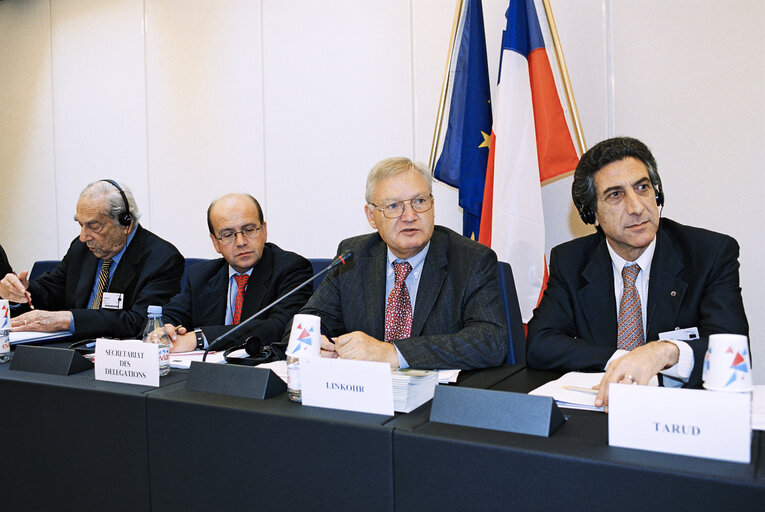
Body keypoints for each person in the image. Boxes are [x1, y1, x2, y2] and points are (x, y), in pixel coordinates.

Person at [526, 137, 748, 408]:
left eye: (642, 188)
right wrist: (624, 360)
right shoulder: (570, 260)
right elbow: (540, 343)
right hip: (600, 414)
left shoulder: (710, 254)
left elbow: (732, 348)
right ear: (591, 214)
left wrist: (664, 352)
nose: (636, 207)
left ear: (657, 194)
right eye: (615, 195)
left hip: (686, 414)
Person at [287, 157, 507, 370]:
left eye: (419, 201)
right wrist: (316, 344)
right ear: (371, 216)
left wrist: (394, 353)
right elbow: (308, 321)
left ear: (432, 205)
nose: (410, 216)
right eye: (393, 206)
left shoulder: (471, 259)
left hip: (437, 400)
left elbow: (490, 341)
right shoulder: (354, 256)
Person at [0, 180, 184, 339]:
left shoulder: (162, 259)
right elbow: (52, 290)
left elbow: (140, 322)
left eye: (93, 226)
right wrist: (21, 291)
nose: (83, 236)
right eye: (81, 225)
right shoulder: (81, 249)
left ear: (126, 224)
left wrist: (67, 320)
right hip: (70, 348)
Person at [162, 193, 313, 354]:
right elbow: (170, 315)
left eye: (248, 230)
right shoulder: (202, 275)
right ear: (215, 243)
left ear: (264, 231)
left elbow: (279, 327)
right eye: (228, 235)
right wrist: (164, 330)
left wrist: (199, 338)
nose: (241, 242)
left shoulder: (291, 268)